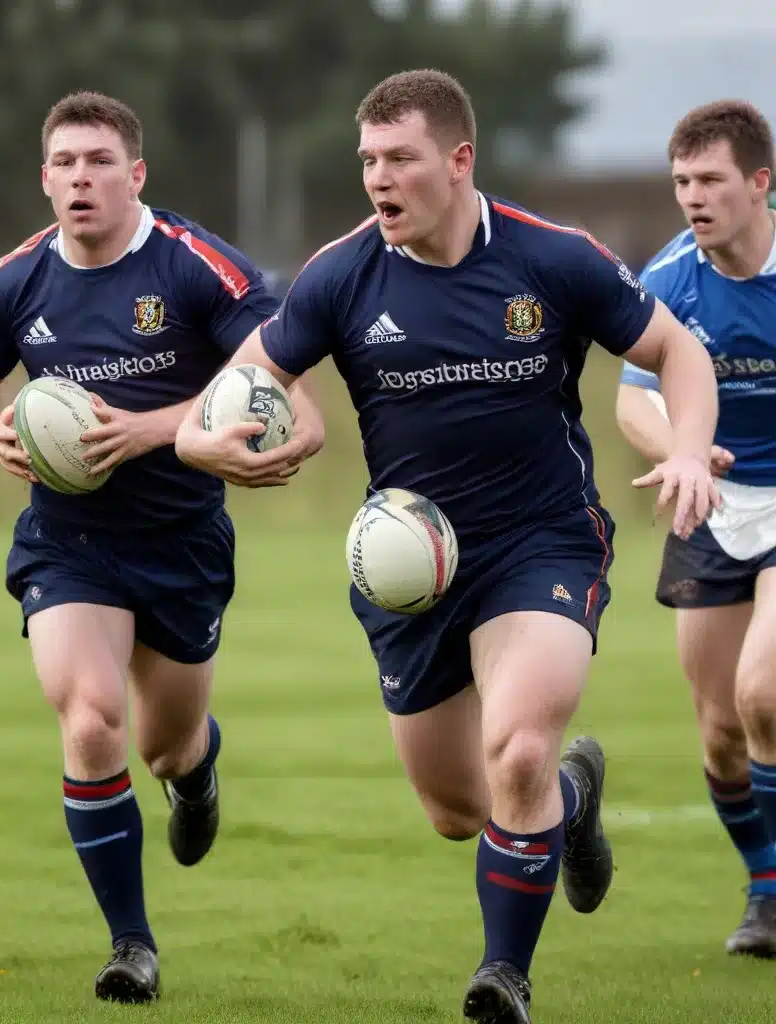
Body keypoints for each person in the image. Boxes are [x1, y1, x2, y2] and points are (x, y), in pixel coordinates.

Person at [174, 69, 721, 1024]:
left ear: (459, 160)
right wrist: (202, 443)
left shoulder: (553, 258)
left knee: (515, 750)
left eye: (400, 159)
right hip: (409, 567)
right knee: (459, 811)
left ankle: (503, 976)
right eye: (368, 161)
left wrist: (685, 448)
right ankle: (572, 796)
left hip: (540, 541)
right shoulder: (342, 274)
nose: (379, 179)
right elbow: (245, 378)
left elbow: (679, 350)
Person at [0, 90, 323, 1004]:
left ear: (135, 174)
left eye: (100, 162)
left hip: (182, 539)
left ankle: (196, 771)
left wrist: (154, 433)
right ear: (44, 178)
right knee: (92, 718)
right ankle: (131, 943)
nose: (81, 178)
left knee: (165, 744)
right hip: (68, 544)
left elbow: (280, 385)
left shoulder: (196, 269)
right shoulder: (18, 279)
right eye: (64, 163)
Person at [616, 100, 776, 958]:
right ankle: (766, 890)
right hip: (713, 500)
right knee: (720, 734)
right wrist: (684, 454)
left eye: (711, 179)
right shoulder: (671, 279)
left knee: (765, 693)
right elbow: (632, 398)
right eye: (681, 181)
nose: (693, 197)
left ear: (760, 182)